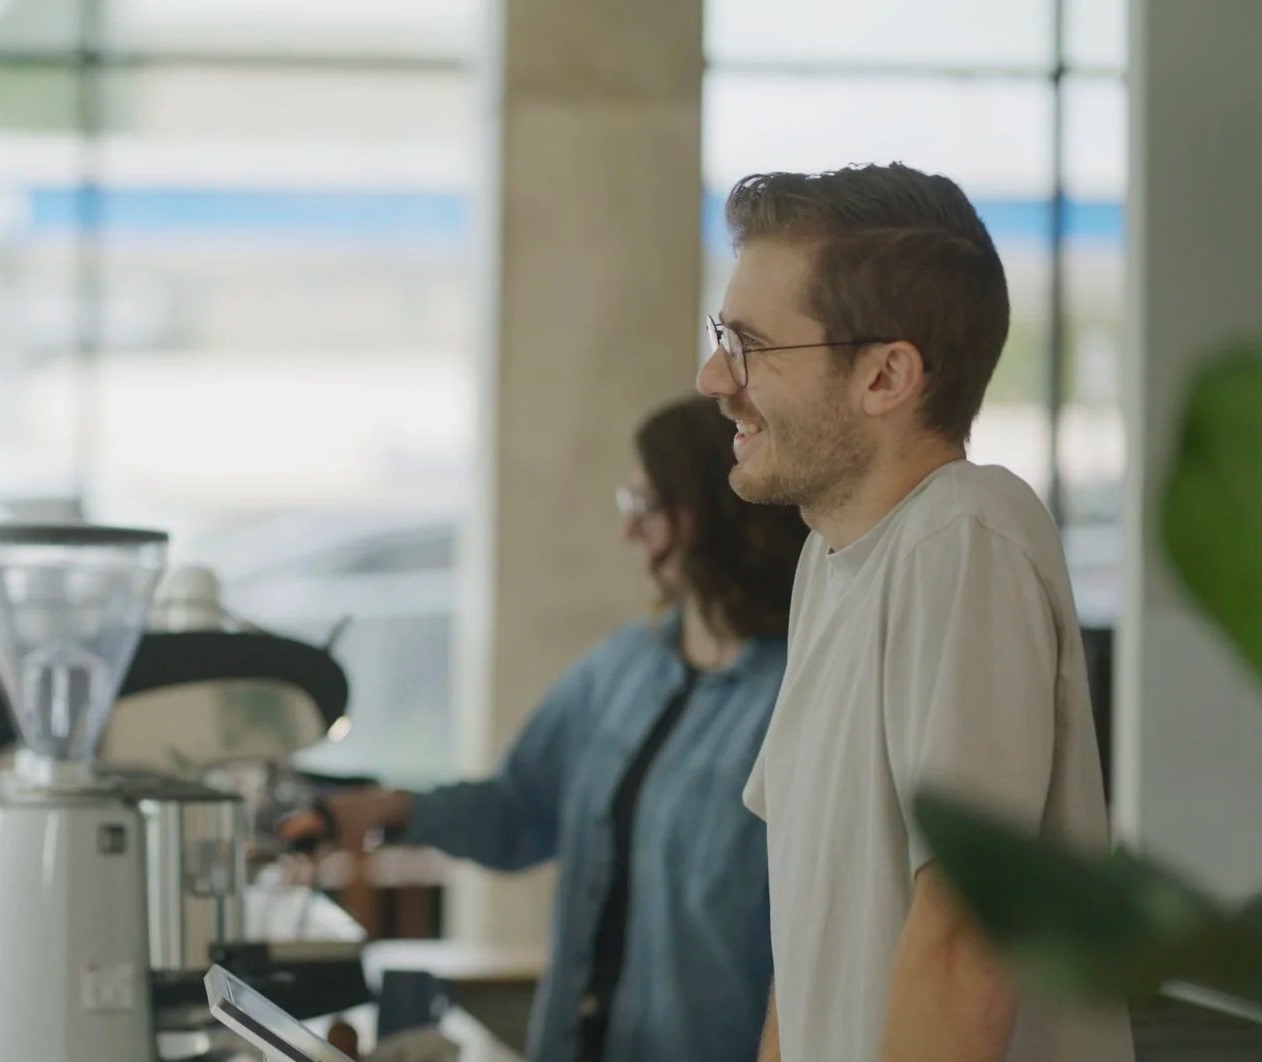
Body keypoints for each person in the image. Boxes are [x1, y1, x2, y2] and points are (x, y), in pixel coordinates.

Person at [696, 164, 1129, 1062]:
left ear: (886, 374)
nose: (713, 378)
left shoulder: (965, 534)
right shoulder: (832, 560)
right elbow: (810, 948)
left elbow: (965, 940)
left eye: (750, 345)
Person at [281, 397, 809, 1062]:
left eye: (648, 508)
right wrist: (392, 810)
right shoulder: (620, 668)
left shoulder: (796, 699)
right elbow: (519, 810)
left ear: (714, 517)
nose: (629, 533)